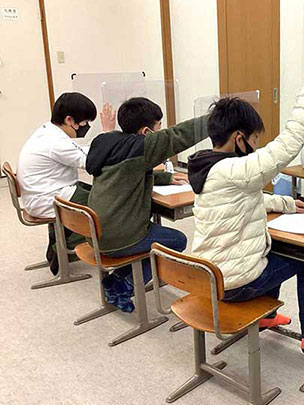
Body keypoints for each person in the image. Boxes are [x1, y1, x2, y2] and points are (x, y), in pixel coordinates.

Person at [188, 52, 304, 354]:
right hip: (234, 285)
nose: (257, 146)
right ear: (239, 138)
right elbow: (289, 143)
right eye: (254, 139)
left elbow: (247, 198)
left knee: (271, 248)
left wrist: (288, 204)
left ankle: (266, 317)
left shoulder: (208, 166)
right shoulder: (235, 169)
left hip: (208, 277)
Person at [85, 97, 208, 312]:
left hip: (95, 232)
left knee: (156, 232)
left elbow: (128, 173)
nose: (162, 131)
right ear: (146, 132)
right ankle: (125, 282)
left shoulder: (107, 143)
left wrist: (166, 178)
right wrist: (218, 118)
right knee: (177, 241)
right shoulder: (140, 148)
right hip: (119, 237)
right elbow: (179, 135)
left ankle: (120, 278)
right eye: (159, 128)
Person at [17, 92, 116, 275]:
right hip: (49, 198)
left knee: (95, 192)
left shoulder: (48, 131)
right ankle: (65, 248)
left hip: (44, 193)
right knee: (106, 206)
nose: (85, 127)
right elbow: (90, 163)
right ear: (69, 119)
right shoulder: (55, 142)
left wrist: (104, 143)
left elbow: (80, 150)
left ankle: (59, 248)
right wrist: (109, 136)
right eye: (85, 123)